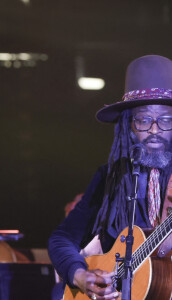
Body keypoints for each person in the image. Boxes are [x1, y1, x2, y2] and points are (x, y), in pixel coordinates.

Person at [48, 54, 172, 300]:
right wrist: (80, 275)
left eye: (166, 120)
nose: (155, 130)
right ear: (129, 125)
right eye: (144, 119)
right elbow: (62, 237)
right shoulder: (110, 178)